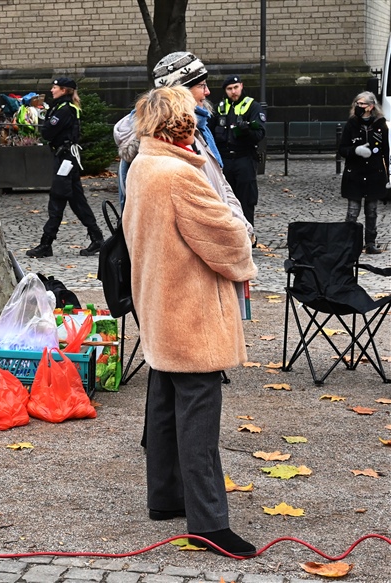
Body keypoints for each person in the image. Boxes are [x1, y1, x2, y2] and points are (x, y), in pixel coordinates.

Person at [122, 85, 258, 558]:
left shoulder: (142, 165)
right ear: (179, 123)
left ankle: (165, 498)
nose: (198, 123)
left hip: (159, 302)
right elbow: (228, 242)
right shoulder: (179, 174)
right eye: (192, 118)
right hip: (190, 309)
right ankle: (209, 523)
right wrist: (244, 254)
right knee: (198, 413)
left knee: (163, 402)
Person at [114, 52, 253, 238]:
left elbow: (219, 182)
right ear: (180, 93)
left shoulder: (197, 129)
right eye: (201, 85)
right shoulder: (165, 141)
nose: (207, 92)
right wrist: (233, 237)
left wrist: (241, 226)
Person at [26, 78, 104, 258]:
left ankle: (46, 243)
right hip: (66, 158)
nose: (51, 90)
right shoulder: (62, 107)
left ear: (64, 90)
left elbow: (46, 132)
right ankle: (97, 238)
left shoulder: (65, 109)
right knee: (77, 201)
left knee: (57, 198)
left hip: (65, 160)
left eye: (55, 87)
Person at [212, 74, 266, 240]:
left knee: (246, 199)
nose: (233, 92)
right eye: (229, 89)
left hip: (244, 158)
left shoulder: (252, 107)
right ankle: (227, 237)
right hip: (224, 160)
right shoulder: (219, 108)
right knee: (223, 199)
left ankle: (247, 237)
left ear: (241, 86)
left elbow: (260, 134)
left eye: (236, 87)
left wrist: (246, 130)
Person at [337, 91, 389, 254]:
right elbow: (342, 149)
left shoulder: (380, 124)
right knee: (352, 211)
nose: (358, 107)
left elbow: (385, 151)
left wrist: (386, 176)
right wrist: (355, 151)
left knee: (372, 211)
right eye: (356, 104)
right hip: (355, 174)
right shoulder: (351, 124)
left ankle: (370, 242)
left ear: (371, 106)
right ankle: (348, 242)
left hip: (374, 173)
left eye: (362, 104)